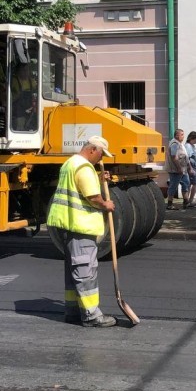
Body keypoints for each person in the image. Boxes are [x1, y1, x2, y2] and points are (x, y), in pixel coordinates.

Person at [47, 136, 117, 328]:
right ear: (93, 149)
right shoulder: (84, 168)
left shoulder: (71, 163)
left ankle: (73, 311)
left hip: (69, 227)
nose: (101, 158)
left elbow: (78, 188)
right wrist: (106, 205)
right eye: (101, 153)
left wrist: (99, 179)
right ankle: (91, 315)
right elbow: (93, 197)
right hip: (81, 226)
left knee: (73, 271)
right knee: (86, 272)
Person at [165, 128, 191, 210]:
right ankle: (169, 204)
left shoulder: (180, 144)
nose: (183, 136)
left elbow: (185, 156)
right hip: (176, 170)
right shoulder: (174, 144)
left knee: (186, 183)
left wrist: (189, 167)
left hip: (183, 169)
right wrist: (179, 168)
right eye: (182, 134)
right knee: (173, 186)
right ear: (177, 135)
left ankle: (186, 202)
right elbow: (174, 157)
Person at [11, 61, 38, 131]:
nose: (26, 72)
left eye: (27, 70)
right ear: (18, 71)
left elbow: (35, 96)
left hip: (30, 113)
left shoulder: (32, 82)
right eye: (23, 70)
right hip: (18, 113)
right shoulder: (14, 81)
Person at [185, 131, 196, 208]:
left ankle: (187, 201)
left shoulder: (192, 145)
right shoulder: (188, 146)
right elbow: (187, 158)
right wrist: (190, 168)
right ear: (191, 138)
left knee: (189, 184)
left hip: (193, 169)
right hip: (191, 169)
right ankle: (189, 200)